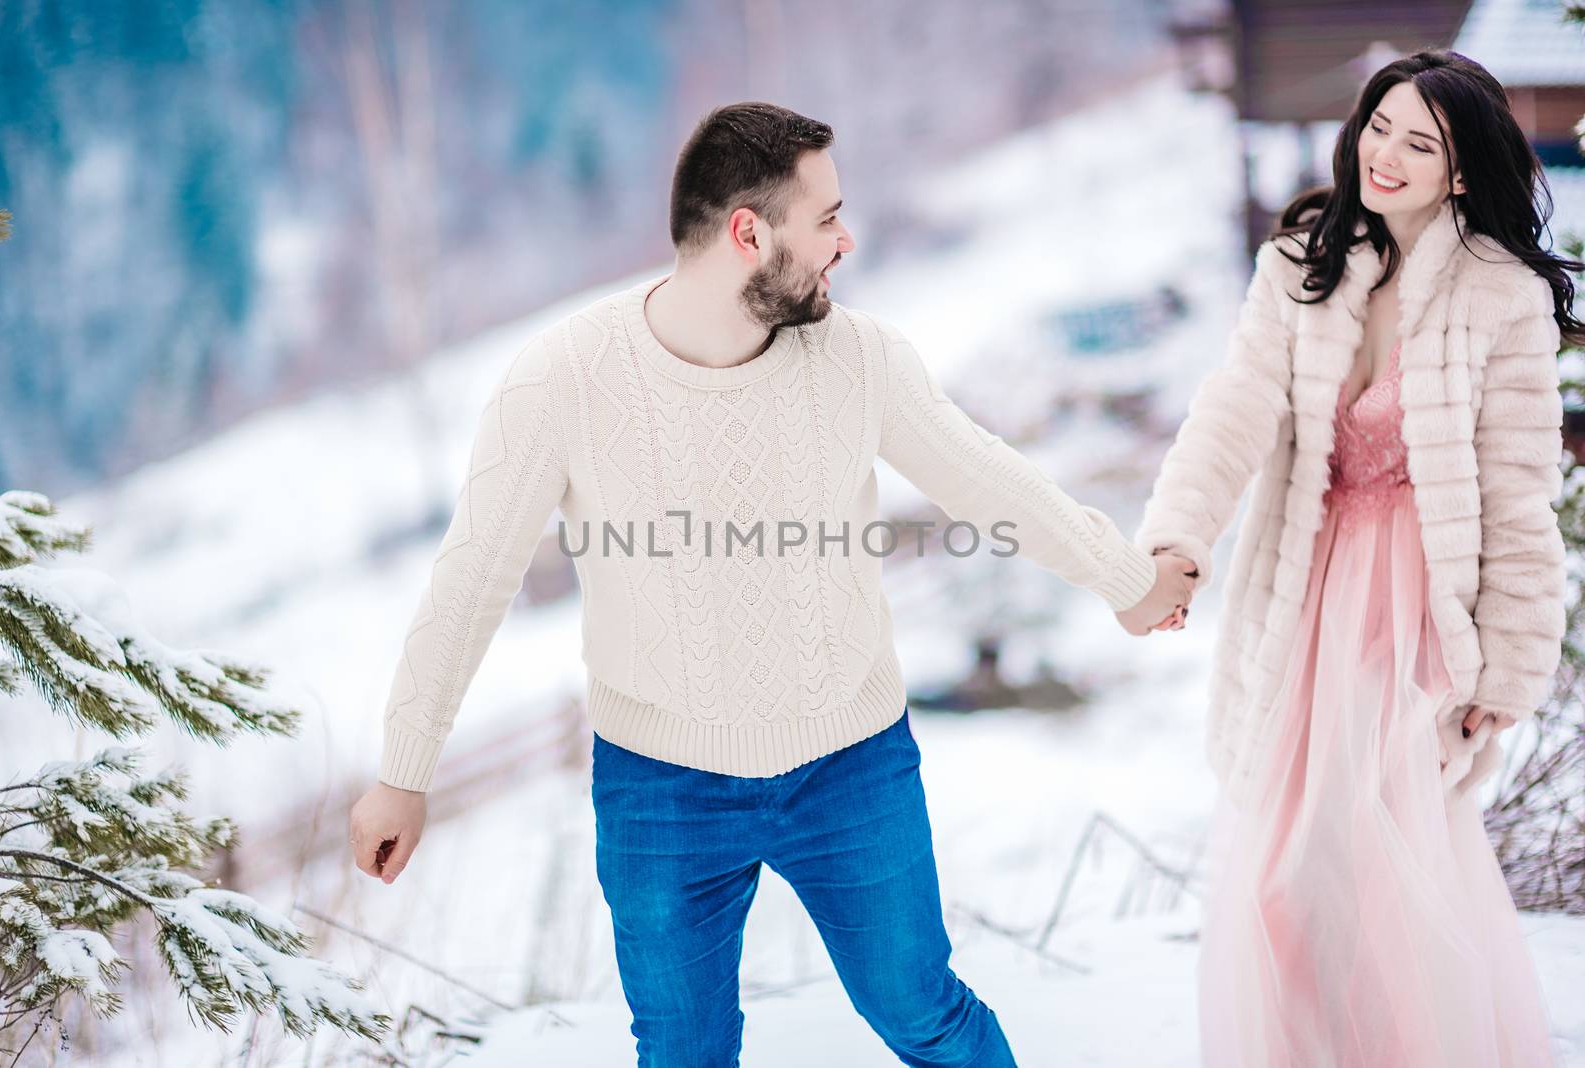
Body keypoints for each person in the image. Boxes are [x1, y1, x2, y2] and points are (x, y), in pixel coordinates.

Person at [349, 101, 1196, 1066]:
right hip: (659, 785)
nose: (848, 239)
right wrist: (403, 772)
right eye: (826, 217)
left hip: (850, 761)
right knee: (683, 1053)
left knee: (922, 1013)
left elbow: (988, 479)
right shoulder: (561, 381)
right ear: (748, 234)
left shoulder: (860, 360)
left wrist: (1128, 579)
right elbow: (473, 579)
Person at [1135, 50, 1579, 1067]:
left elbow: (1518, 500)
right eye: (1378, 126)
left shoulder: (1499, 297)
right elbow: (1232, 412)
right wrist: (1176, 539)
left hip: (1420, 610)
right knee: (1280, 883)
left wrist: (1507, 673)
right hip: (1306, 590)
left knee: (1376, 877)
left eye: (1418, 142)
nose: (1384, 154)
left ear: (1461, 171)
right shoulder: (1299, 264)